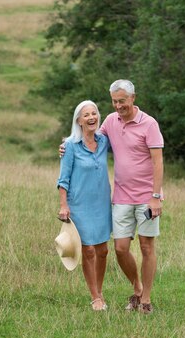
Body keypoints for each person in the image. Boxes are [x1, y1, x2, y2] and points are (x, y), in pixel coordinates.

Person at [60, 80, 164, 314]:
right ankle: (136, 288)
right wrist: (65, 145)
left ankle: (144, 299)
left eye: (122, 101)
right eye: (114, 101)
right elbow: (90, 138)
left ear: (133, 98)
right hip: (121, 197)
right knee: (120, 248)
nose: (118, 106)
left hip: (147, 196)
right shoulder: (110, 121)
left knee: (147, 247)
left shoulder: (149, 124)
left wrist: (156, 196)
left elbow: (158, 162)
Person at [57, 100, 113, 311]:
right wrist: (63, 205)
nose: (91, 118)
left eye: (94, 114)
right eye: (86, 115)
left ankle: (100, 290)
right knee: (88, 250)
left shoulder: (104, 141)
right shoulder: (70, 146)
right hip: (79, 204)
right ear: (79, 121)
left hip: (101, 203)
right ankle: (95, 296)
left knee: (103, 250)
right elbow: (63, 179)